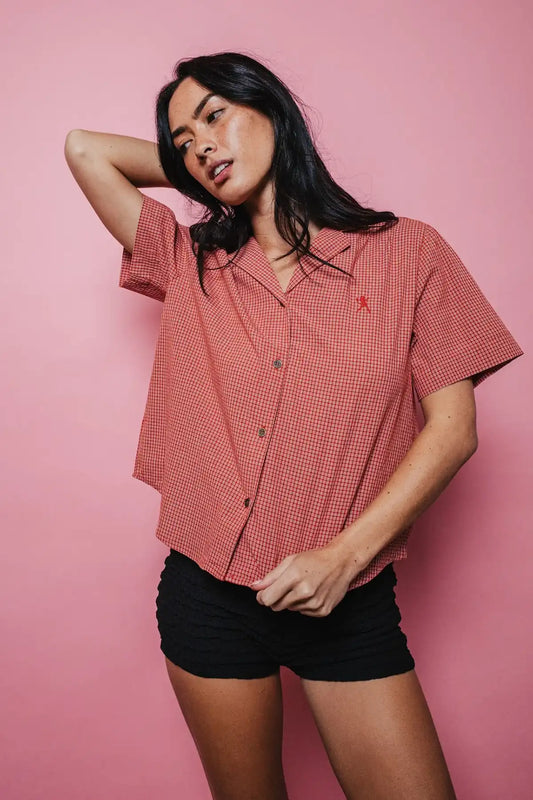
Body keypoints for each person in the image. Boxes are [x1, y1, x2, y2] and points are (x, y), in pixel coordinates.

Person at [64, 51, 524, 800]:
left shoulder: (408, 251)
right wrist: (201, 165)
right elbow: (84, 147)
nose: (200, 146)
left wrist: (343, 558)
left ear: (273, 110)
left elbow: (453, 428)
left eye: (214, 117)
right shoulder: (189, 262)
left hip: (349, 597)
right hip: (205, 598)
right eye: (181, 142)